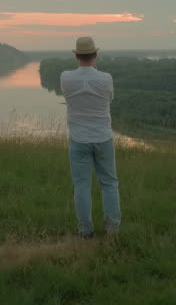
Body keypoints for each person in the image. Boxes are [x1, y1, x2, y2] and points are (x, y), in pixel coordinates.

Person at [60, 35, 121, 238]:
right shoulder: (106, 78)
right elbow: (109, 99)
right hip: (103, 137)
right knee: (109, 183)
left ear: (76, 55)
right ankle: (112, 229)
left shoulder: (66, 77)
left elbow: (68, 98)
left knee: (81, 186)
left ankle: (85, 231)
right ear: (95, 54)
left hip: (78, 140)